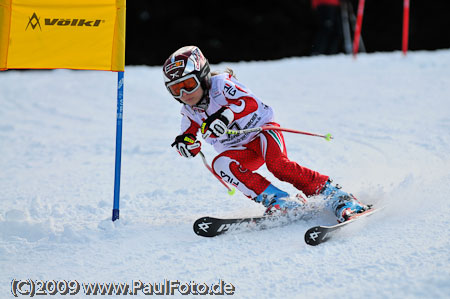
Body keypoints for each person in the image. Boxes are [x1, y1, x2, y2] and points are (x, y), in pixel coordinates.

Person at [163, 45, 368, 222]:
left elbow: (250, 102)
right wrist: (186, 146)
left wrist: (225, 116)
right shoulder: (189, 112)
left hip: (262, 133)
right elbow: (190, 137)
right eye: (175, 89)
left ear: (203, 76)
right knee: (221, 164)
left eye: (188, 84)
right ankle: (282, 202)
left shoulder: (221, 85)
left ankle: (336, 195)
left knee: (278, 166)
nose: (184, 94)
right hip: (241, 150)